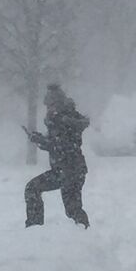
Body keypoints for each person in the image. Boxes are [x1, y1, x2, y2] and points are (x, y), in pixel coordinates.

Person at [25, 83, 90, 228]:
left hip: (67, 170)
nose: (48, 109)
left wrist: (40, 140)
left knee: (33, 189)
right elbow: (57, 143)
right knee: (73, 209)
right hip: (71, 170)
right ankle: (84, 233)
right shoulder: (65, 117)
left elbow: (59, 146)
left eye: (49, 105)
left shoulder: (62, 119)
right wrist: (40, 139)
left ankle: (34, 229)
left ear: (56, 103)